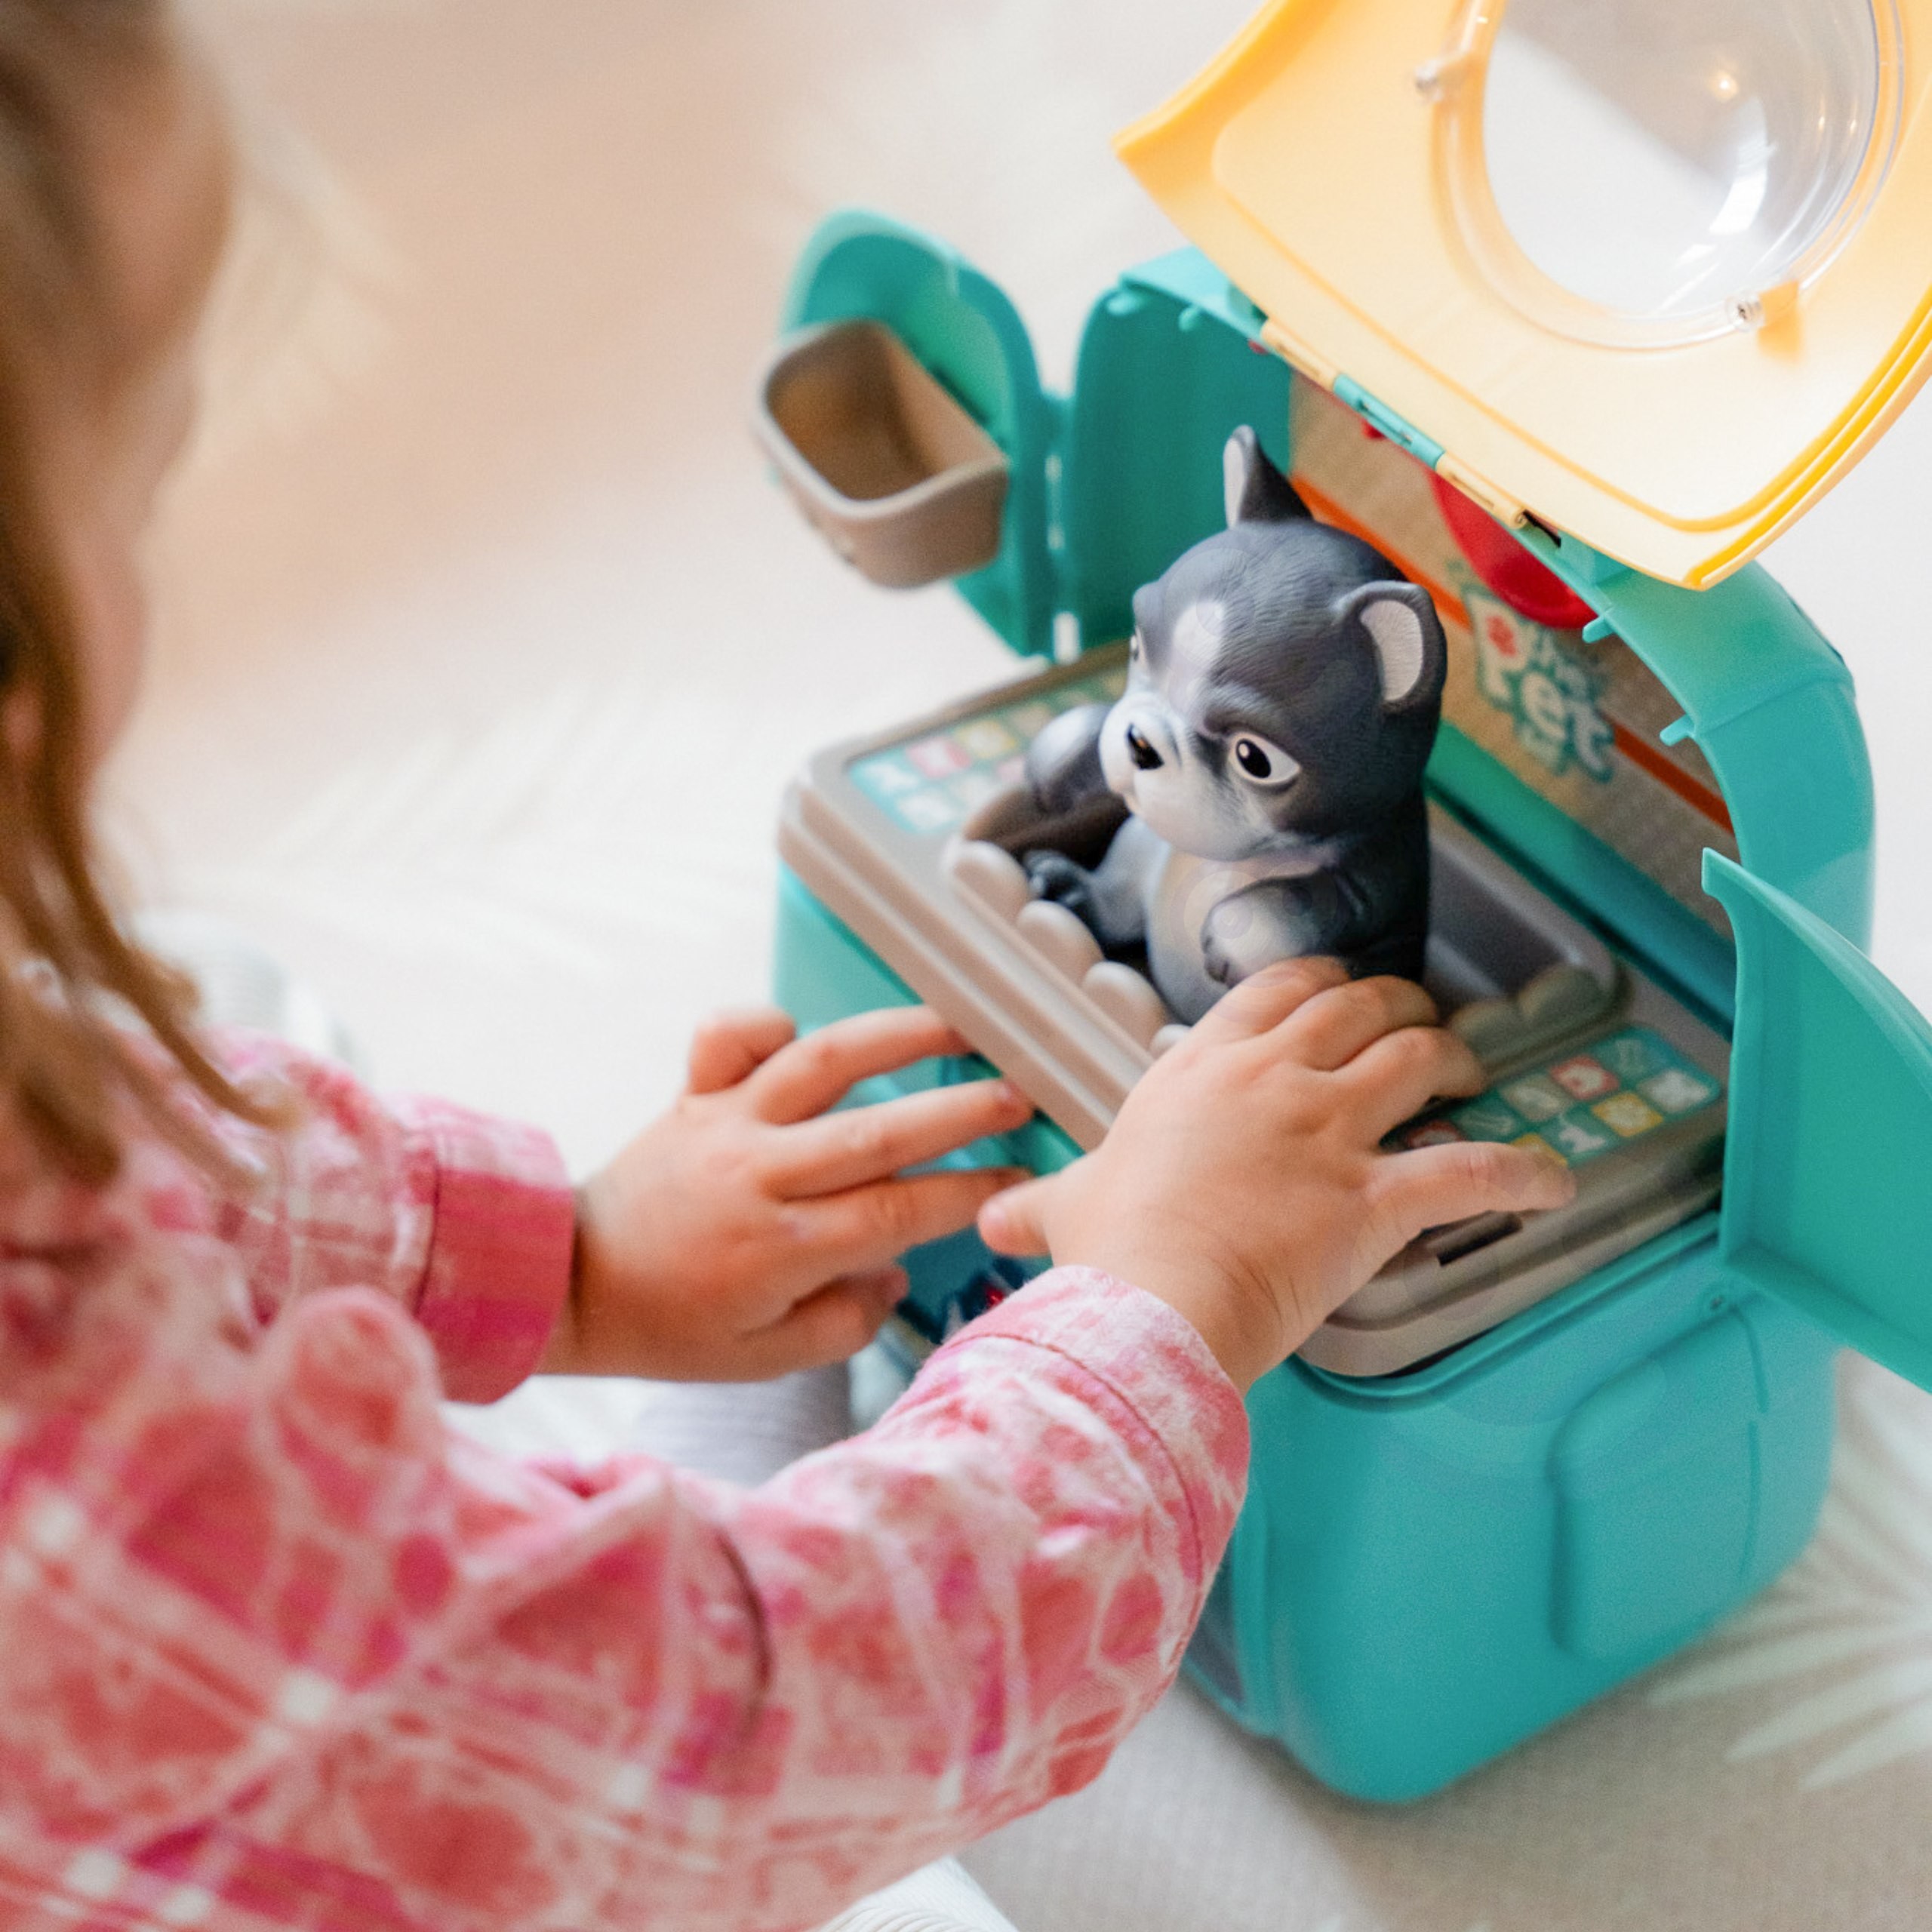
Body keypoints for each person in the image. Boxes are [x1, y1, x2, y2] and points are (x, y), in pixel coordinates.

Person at [0, 6, 1574, 1929]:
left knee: (209, 1008)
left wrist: (554, 1252)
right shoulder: (115, 1541)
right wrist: (1171, 1297)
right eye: (139, 479)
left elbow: (91, 1150)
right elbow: (712, 1741)